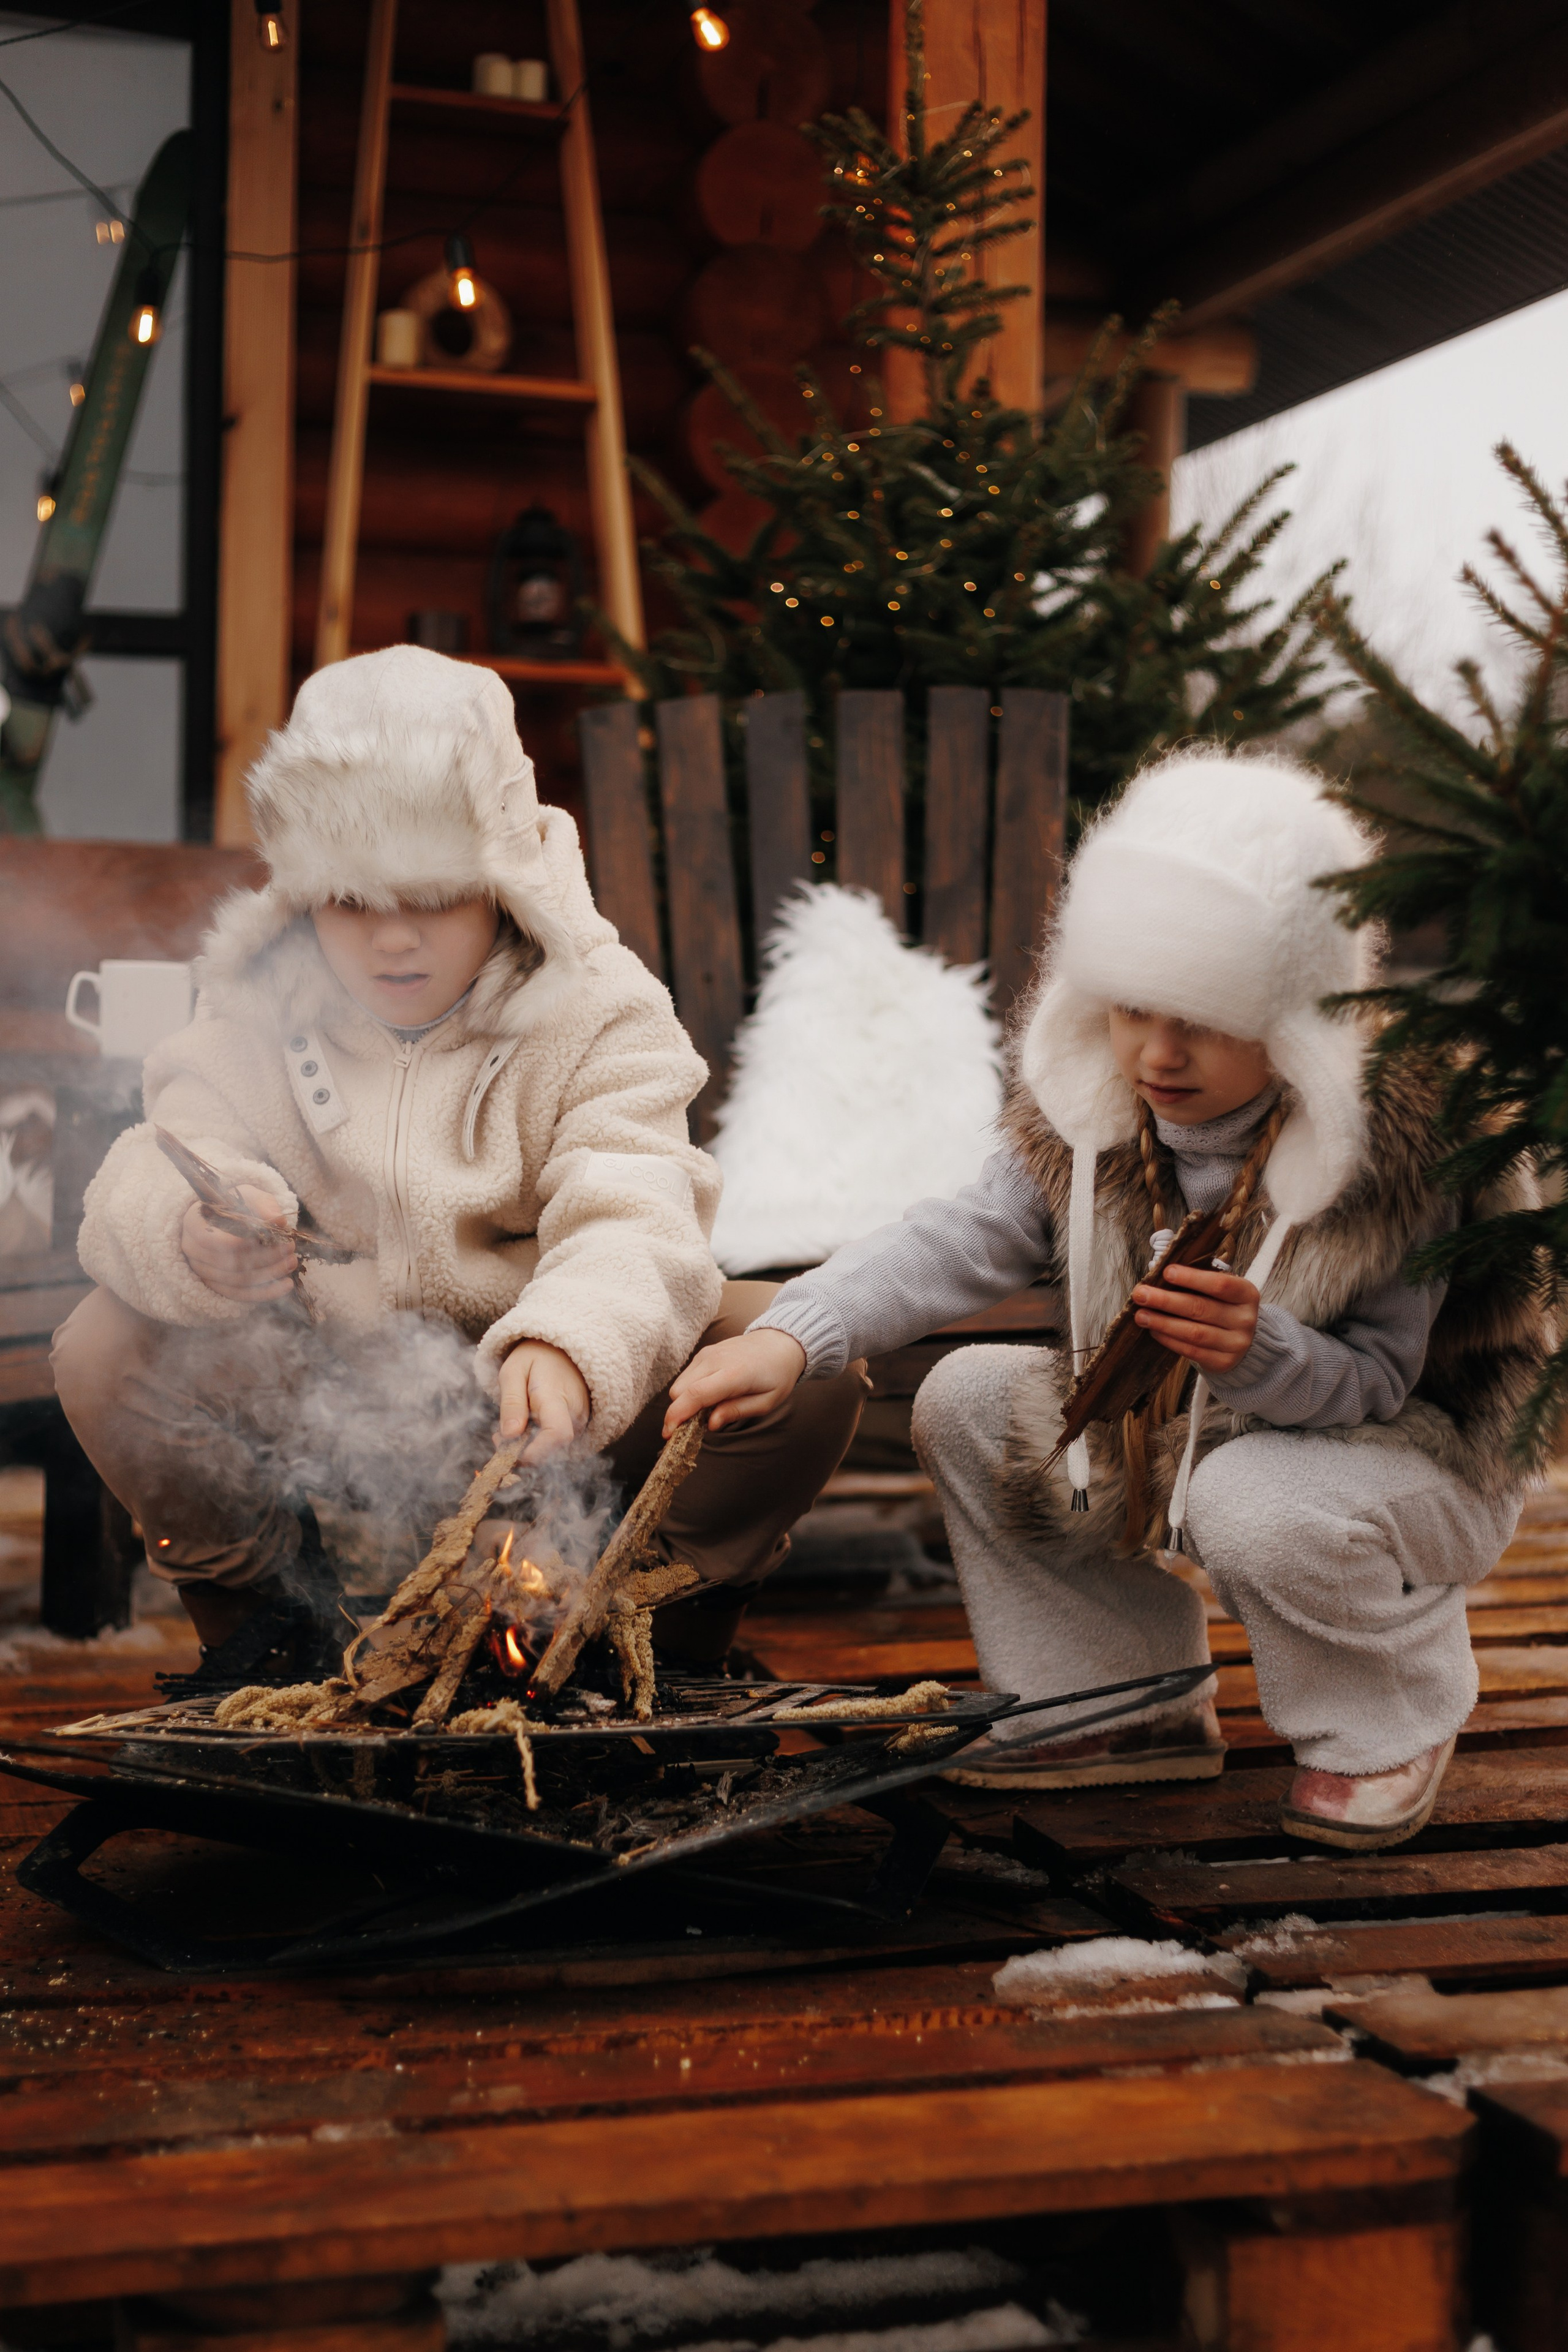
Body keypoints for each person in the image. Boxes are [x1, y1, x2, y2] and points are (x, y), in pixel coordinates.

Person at [666, 750, 1549, 1851]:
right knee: (973, 1398)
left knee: (1254, 1500)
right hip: (1191, 1427)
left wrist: (1258, 1350)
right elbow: (960, 1235)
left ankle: (1382, 1721)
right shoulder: (1092, 1103)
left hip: (1406, 1458)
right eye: (1134, 1008)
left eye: (1208, 1020)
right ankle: (1118, 1699)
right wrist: (796, 1336)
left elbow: (1379, 1383)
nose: (1159, 1053)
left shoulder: (1392, 1146)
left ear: (1291, 1013)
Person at [53, 646, 865, 1681]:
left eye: (433, 895)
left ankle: (642, 1644)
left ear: (502, 880)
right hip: (341, 1405)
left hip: (557, 1408)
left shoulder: (600, 1006)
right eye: (352, 900)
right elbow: (165, 1151)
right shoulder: (260, 1001)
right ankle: (268, 1635)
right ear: (305, 895)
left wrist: (572, 1345)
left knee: (797, 1355)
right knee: (104, 1340)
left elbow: (638, 1209)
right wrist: (189, 1229)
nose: (392, 941)